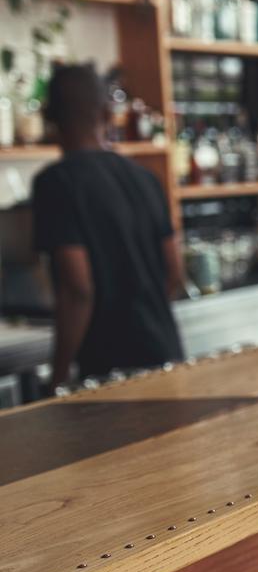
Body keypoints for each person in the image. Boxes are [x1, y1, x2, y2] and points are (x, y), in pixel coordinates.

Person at [31, 64, 185, 388]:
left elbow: (77, 289)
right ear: (106, 113)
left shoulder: (55, 184)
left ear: (50, 118)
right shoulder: (145, 178)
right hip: (166, 355)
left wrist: (58, 377)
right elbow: (174, 271)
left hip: (108, 372)